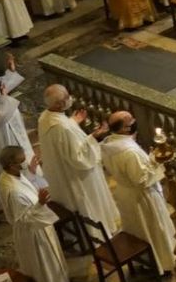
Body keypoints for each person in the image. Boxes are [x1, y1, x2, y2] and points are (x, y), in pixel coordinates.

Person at [0, 145, 74, 282]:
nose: (23, 163)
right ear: (10, 163)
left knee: (53, 265)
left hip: (39, 227)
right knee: (46, 269)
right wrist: (39, 204)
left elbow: (26, 185)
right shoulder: (12, 191)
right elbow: (23, 219)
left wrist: (31, 172)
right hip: (34, 235)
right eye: (21, 161)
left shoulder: (10, 175)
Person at [37, 84, 121, 235]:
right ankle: (97, 233)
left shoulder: (45, 117)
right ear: (59, 104)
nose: (70, 99)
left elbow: (62, 140)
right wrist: (95, 136)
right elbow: (78, 158)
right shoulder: (63, 127)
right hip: (77, 177)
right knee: (88, 203)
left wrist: (73, 121)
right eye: (67, 97)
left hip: (59, 174)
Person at [99, 111, 176, 273]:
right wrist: (155, 159)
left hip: (125, 193)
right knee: (154, 229)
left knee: (139, 229)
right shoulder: (129, 151)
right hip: (142, 197)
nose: (134, 121)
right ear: (126, 129)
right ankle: (163, 263)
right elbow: (140, 179)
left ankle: (148, 261)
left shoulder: (108, 143)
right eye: (131, 120)